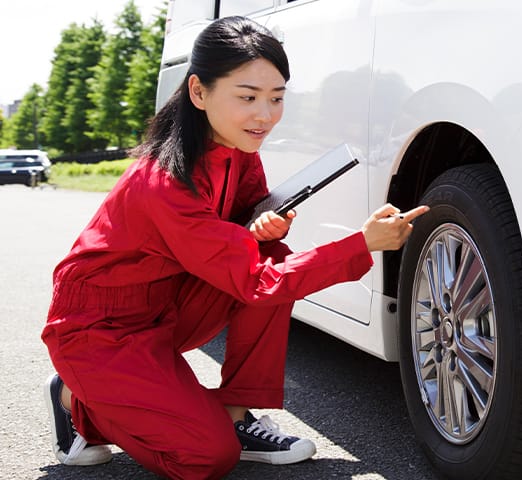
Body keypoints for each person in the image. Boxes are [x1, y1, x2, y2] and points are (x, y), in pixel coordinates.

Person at [41, 15, 428, 480]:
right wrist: (361, 245)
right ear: (199, 92)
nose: (264, 115)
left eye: (277, 98)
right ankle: (76, 400)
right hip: (101, 331)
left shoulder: (238, 153)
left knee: (272, 256)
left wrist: (269, 227)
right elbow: (252, 283)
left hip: (171, 303)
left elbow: (246, 234)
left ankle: (235, 413)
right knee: (206, 457)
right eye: (247, 97)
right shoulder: (162, 182)